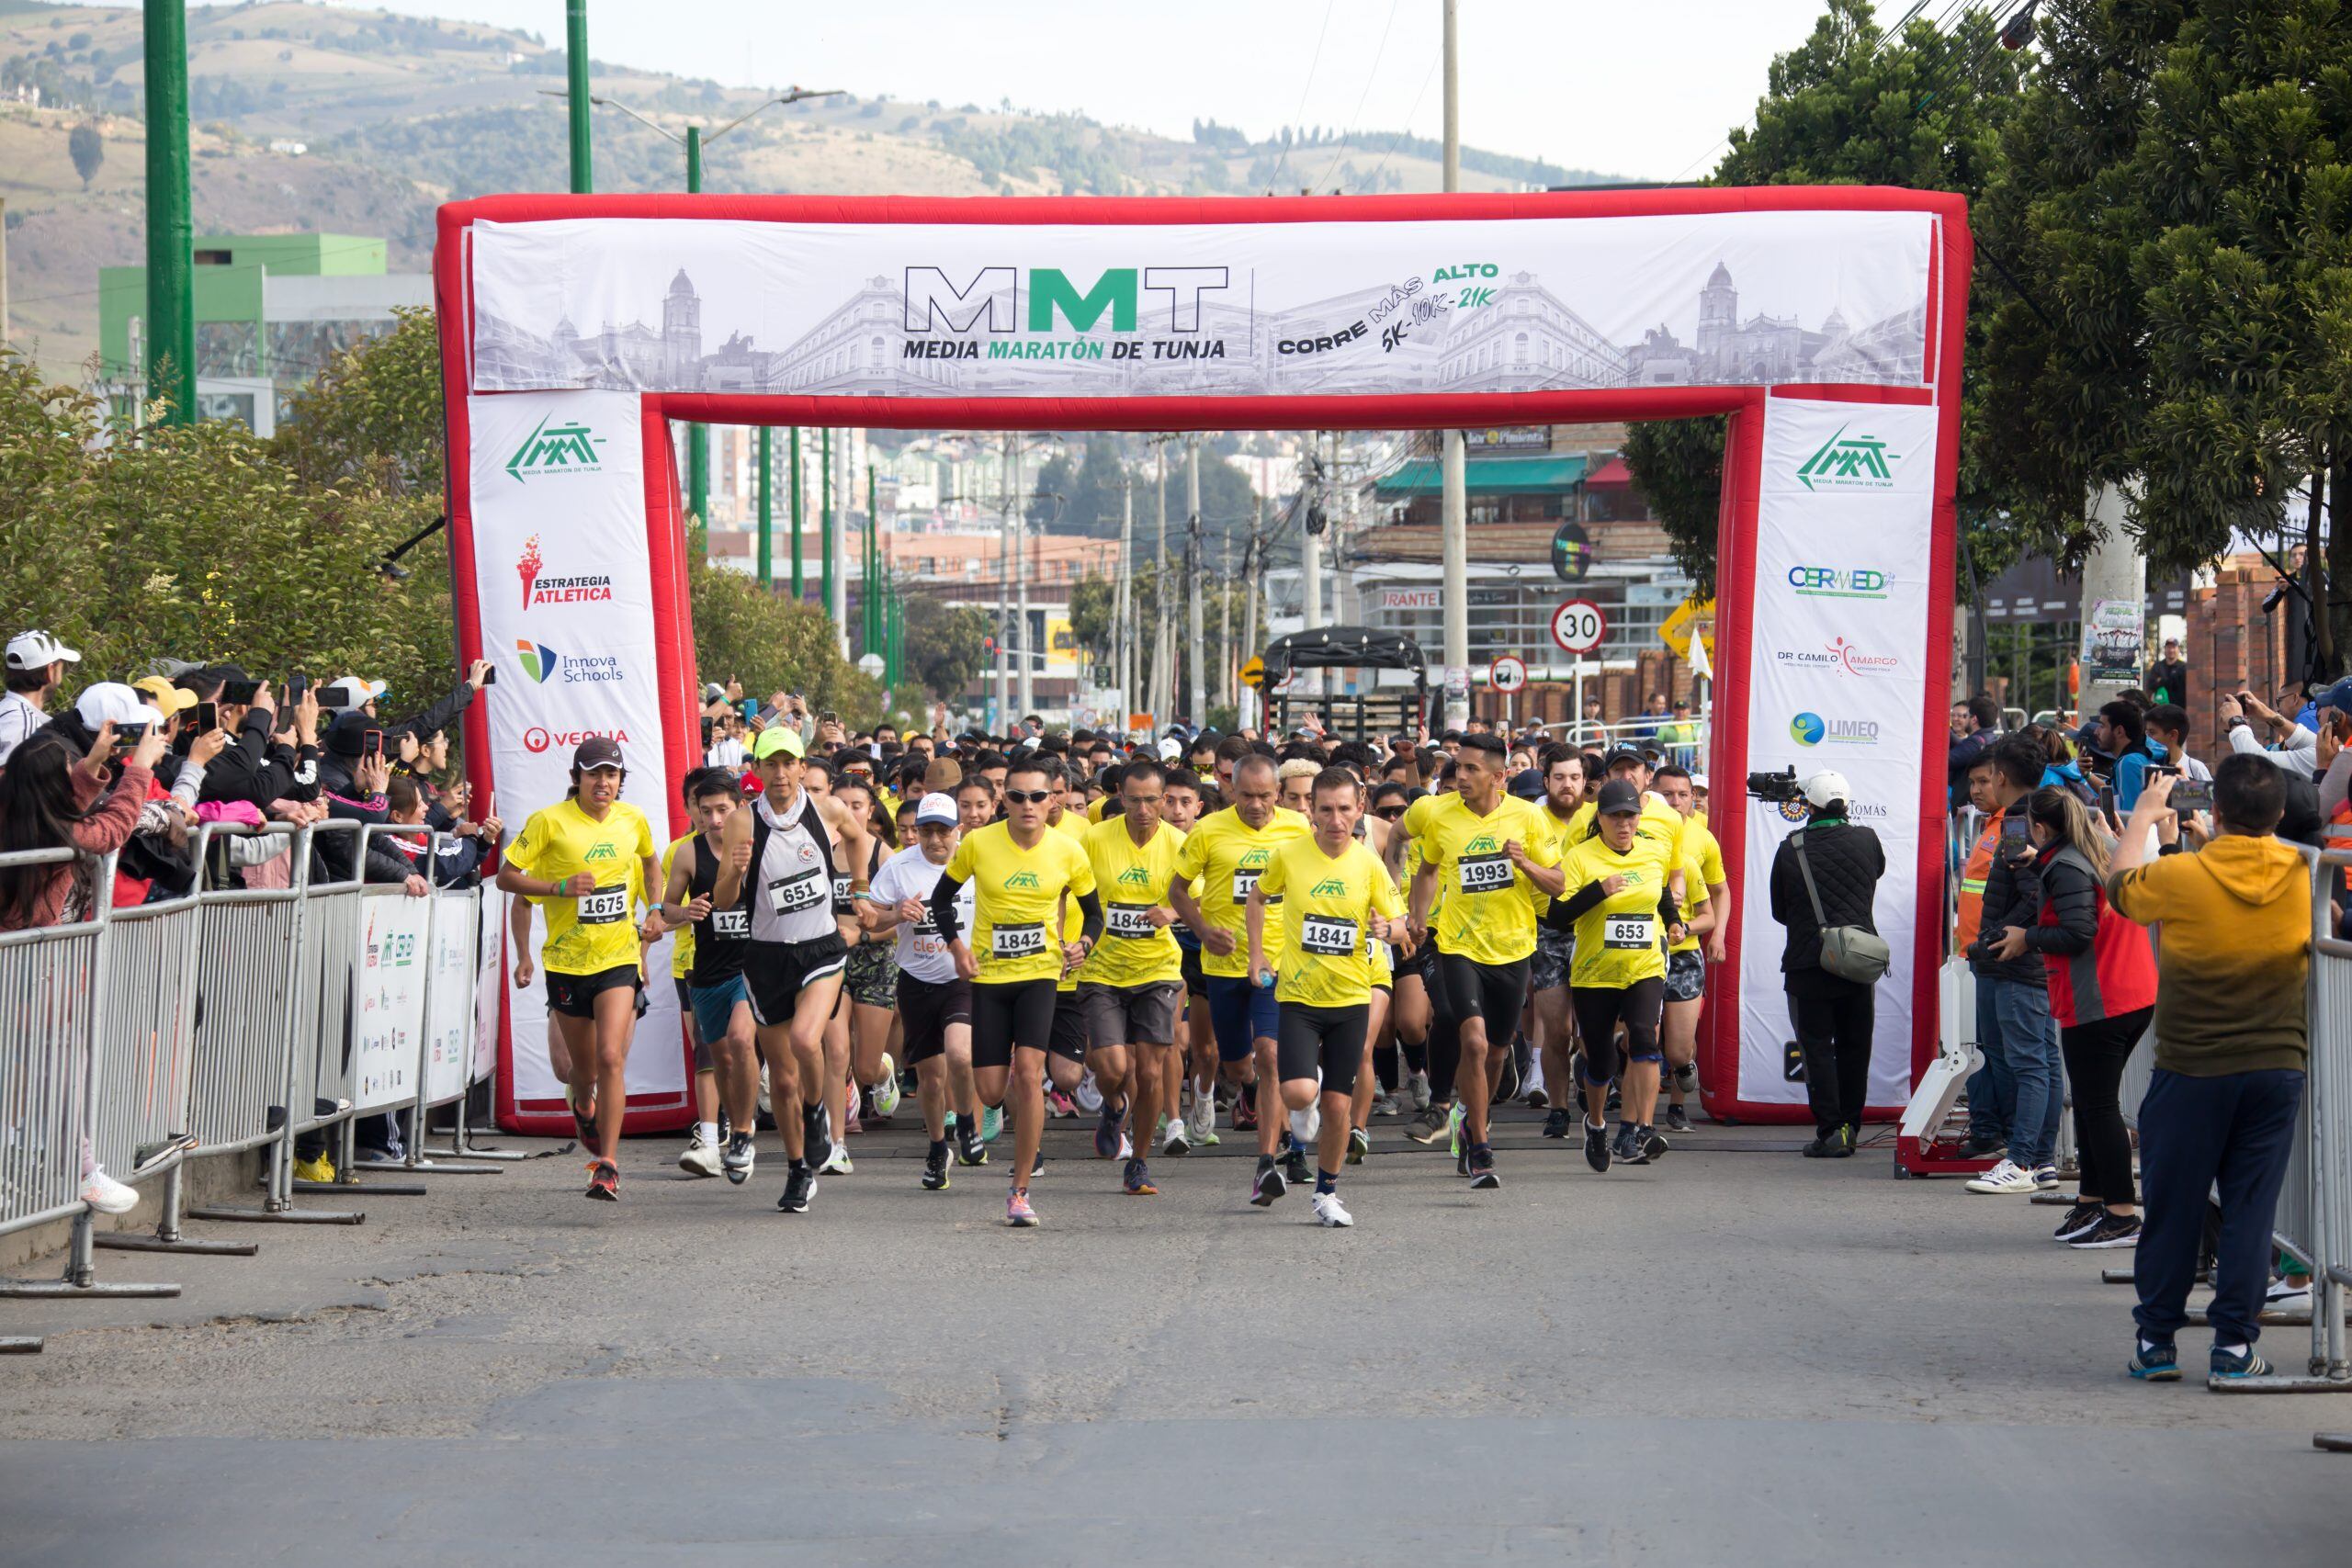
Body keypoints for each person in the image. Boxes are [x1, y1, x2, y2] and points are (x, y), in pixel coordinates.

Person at [2109, 761, 2311, 1382]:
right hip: (2275, 1065)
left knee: (2175, 1205)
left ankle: (2157, 1341)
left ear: (2216, 812)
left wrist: (2145, 813)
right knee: (2252, 1210)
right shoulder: (2306, 874)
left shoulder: (2180, 874)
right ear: (2278, 816)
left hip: (2191, 1065)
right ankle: (2232, 1347)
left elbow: (2120, 887)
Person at [0, 721, 166, 1213]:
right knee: (61, 1063)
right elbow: (112, 827)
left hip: (26, 964)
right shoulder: (58, 831)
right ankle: (82, 1171)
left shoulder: (15, 808)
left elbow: (51, 796)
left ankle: (79, 1169)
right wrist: (137, 770)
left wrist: (91, 765)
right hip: (26, 969)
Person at [929, 756, 1101, 1228]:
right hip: (989, 978)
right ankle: (1005, 1118)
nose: (1028, 805)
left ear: (1053, 801)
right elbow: (941, 901)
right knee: (990, 1087)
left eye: (1038, 796)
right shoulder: (979, 844)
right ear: (1005, 800)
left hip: (1041, 974)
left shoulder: (1069, 851)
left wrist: (1083, 944)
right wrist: (957, 949)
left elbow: (1095, 914)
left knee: (1029, 1073)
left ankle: (1020, 1189)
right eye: (1018, 796)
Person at [1984, 787, 2157, 1250]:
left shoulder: (2066, 865)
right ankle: (2093, 1200)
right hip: (2124, 992)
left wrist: (2027, 936)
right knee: (2092, 1103)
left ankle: (2121, 1214)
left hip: (2102, 998)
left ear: (2041, 829)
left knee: (2098, 1106)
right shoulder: (2084, 850)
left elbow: (2079, 931)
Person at [713, 726, 873, 1214]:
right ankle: (798, 1168)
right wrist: (735, 871)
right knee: (781, 1078)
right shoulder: (742, 822)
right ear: (756, 771)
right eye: (770, 764)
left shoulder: (826, 809)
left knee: (808, 1040)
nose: (780, 773)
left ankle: (819, 1110)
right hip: (766, 956)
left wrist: (860, 888)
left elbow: (860, 839)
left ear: (802, 767)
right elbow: (723, 900)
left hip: (821, 950)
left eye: (789, 763)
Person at [1247, 766, 1409, 1225]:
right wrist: (1257, 954)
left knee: (1339, 1105)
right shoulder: (1290, 855)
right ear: (1310, 812)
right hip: (1299, 996)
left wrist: (1388, 929)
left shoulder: (1368, 863)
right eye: (1325, 810)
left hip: (1351, 999)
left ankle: (1326, 1192)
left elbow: (1400, 925)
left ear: (1360, 808)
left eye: (1344, 809)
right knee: (1298, 1093)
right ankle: (1306, 1101)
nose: (1335, 819)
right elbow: (1257, 899)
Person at [498, 738, 660, 1201]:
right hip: (567, 962)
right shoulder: (549, 822)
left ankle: (607, 1165)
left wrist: (657, 905)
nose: (603, 783)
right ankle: (585, 1104)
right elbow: (507, 877)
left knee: (612, 1057)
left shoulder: (633, 820)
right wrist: (559, 887)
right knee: (581, 1072)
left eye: (611, 775)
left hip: (618, 958)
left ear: (620, 781)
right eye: (594, 775)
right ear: (577, 779)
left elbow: (650, 862)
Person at [1402, 732, 1566, 1189]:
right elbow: (1428, 869)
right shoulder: (1441, 815)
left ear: (1499, 776)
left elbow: (1558, 883)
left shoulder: (1529, 818)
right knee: (1472, 1043)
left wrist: (1526, 865)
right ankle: (1479, 1146)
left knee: (1495, 1052)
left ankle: (1475, 1118)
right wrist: (1418, 918)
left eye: (1472, 768)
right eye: (1458, 766)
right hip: (1458, 945)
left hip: (1513, 949)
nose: (1461, 775)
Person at [1171, 755, 1311, 1195]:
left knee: (1270, 1054)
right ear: (1231, 788)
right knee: (1238, 1064)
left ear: (1278, 793)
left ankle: (1268, 1161)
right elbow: (1176, 889)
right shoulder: (1209, 831)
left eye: (1264, 796)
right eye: (1246, 795)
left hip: (1278, 964)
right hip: (1222, 966)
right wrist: (1202, 931)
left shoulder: (1297, 828)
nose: (1255, 805)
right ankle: (1275, 1114)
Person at [1077, 760, 1189, 1197]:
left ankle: (1139, 1162)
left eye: (1152, 800)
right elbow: (1064, 889)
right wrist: (1072, 940)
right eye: (1134, 800)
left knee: (1150, 1071)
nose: (1143, 809)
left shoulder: (1180, 844)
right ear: (1119, 797)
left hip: (1158, 969)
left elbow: (1205, 899)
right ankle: (1113, 1105)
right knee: (1111, 1068)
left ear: (1165, 800)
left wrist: (1175, 911)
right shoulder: (1094, 839)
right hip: (1102, 969)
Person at [863, 793, 980, 1190]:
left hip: (961, 979)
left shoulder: (974, 862)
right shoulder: (898, 867)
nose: (935, 841)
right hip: (916, 981)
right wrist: (898, 914)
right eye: (926, 832)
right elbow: (869, 919)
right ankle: (936, 1148)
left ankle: (965, 1118)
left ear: (957, 831)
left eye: (943, 832)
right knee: (931, 1079)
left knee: (961, 1054)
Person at [1767, 768, 1885, 1158]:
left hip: (1808, 961)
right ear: (1845, 803)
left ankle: (1831, 1131)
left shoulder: (1791, 847)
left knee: (1816, 1048)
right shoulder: (1867, 840)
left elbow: (1780, 910)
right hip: (1857, 958)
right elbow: (1876, 873)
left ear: (1809, 805)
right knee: (1856, 1045)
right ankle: (1851, 1125)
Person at [1965, 736, 2063, 1192]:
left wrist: (2002, 938)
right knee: (2041, 1059)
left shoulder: (2019, 825)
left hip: (2018, 966)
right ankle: (2039, 1160)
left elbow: (2032, 894)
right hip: (2028, 963)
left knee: (2028, 1063)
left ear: (2002, 777)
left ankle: (2023, 1160)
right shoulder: (2035, 816)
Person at [655, 770, 758, 1184]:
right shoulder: (685, 854)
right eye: (706, 811)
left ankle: (744, 1136)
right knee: (721, 1059)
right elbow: (665, 912)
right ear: (695, 812)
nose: (715, 820)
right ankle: (732, 1132)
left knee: (740, 1038)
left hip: (751, 969)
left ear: (739, 810)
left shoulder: (759, 847)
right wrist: (687, 912)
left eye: (723, 810)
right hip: (707, 972)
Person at [0, 629, 80, 769]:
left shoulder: (8, 711)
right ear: (50, 671)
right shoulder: (25, 725)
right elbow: (12, 783)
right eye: (61, 666)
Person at [1948, 694, 2000, 809]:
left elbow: (1946, 761)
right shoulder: (1988, 737)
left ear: (1974, 719)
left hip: (1965, 805)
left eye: (1966, 715)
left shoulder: (1975, 743)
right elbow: (1963, 746)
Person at [2145, 637, 2188, 710]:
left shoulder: (2183, 667)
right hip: (2160, 709)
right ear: (2165, 649)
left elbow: (2183, 687)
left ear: (2178, 649)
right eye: (2168, 647)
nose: (2171, 650)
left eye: (2173, 647)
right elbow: (2151, 685)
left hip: (2178, 709)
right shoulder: (2157, 666)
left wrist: (2161, 681)